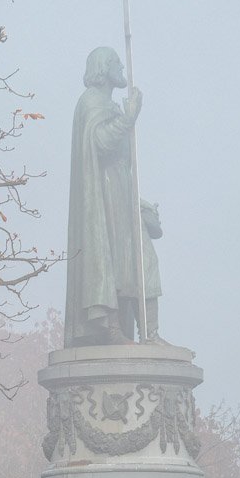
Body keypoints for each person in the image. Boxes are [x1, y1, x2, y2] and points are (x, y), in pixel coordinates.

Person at [64, 46, 163, 346]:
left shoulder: (110, 105)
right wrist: (129, 118)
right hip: (102, 196)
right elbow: (101, 142)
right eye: (117, 63)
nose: (122, 67)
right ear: (104, 68)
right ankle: (112, 328)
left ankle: (151, 333)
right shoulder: (91, 102)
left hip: (120, 191)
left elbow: (122, 163)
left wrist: (139, 201)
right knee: (113, 264)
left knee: (143, 261)